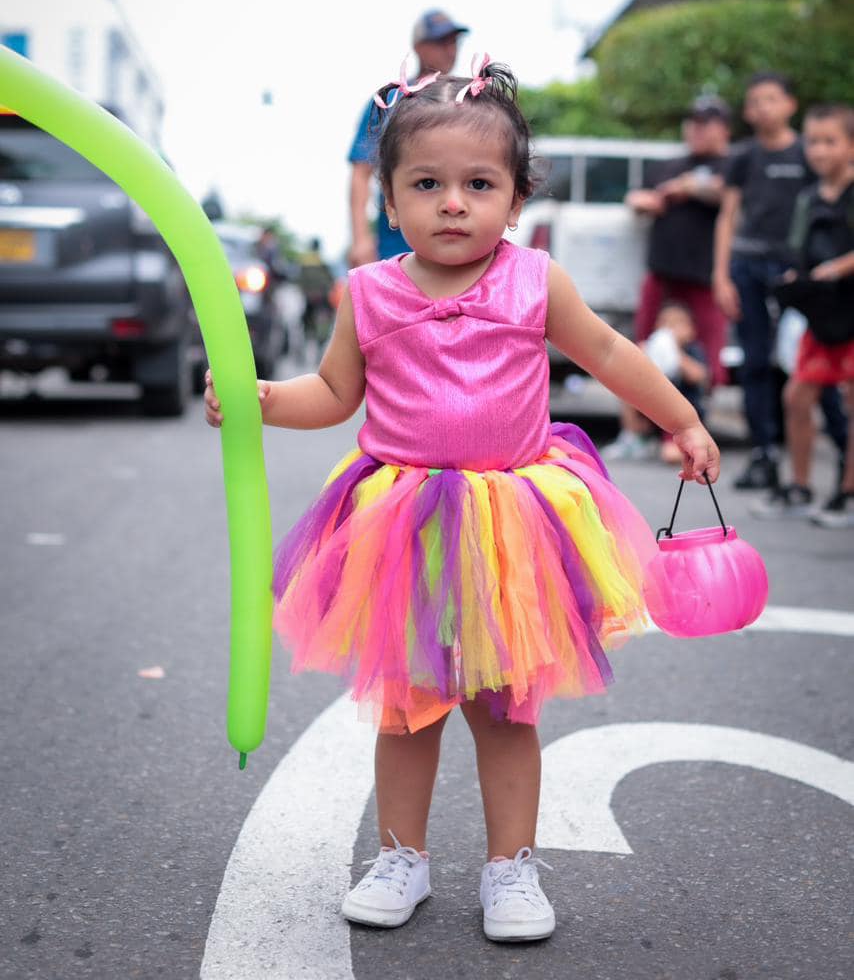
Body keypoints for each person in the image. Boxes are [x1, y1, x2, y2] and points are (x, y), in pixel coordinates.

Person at [204, 58, 719, 943]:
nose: (453, 204)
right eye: (426, 184)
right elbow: (333, 394)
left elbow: (608, 352)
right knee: (407, 708)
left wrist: (684, 419)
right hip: (403, 528)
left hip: (513, 528)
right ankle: (400, 856)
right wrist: (262, 400)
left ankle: (510, 868)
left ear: (514, 201)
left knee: (505, 707)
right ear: (389, 201)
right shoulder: (368, 293)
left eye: (479, 185)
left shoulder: (536, 280)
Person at [713, 72, 847, 490]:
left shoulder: (811, 152)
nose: (763, 108)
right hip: (748, 268)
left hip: (800, 274)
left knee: (814, 363)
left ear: (790, 104)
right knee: (755, 362)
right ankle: (764, 454)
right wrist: (721, 275)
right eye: (756, 101)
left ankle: (841, 449)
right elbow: (728, 216)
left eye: (771, 99)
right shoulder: (743, 156)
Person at [604, 96, 729, 462]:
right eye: (693, 122)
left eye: (706, 123)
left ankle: (688, 433)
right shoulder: (668, 165)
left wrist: (690, 188)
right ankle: (637, 432)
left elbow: (730, 195)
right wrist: (640, 200)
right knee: (640, 354)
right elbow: (638, 196)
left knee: (701, 364)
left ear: (724, 128)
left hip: (703, 281)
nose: (697, 130)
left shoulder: (732, 165)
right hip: (662, 276)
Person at [752, 105, 854, 526]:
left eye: (831, 141)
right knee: (796, 396)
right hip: (822, 316)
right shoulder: (808, 198)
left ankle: (847, 494)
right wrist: (797, 278)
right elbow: (798, 251)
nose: (820, 150)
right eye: (813, 141)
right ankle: (799, 486)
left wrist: (838, 268)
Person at [348, 9, 468, 267]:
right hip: (397, 245)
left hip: (459, 242)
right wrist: (361, 239)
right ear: (418, 47)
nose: (450, 50)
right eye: (440, 42)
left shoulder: (469, 100)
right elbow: (361, 173)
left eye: (454, 42)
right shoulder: (389, 100)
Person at [605, 302, 709, 465]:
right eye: (665, 323)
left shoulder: (692, 350)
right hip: (655, 410)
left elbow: (698, 376)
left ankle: (666, 444)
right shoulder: (652, 347)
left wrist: (675, 353)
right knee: (626, 393)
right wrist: (641, 354)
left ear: (690, 330)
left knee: (671, 456)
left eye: (677, 324)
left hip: (679, 417)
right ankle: (633, 437)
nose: (670, 329)